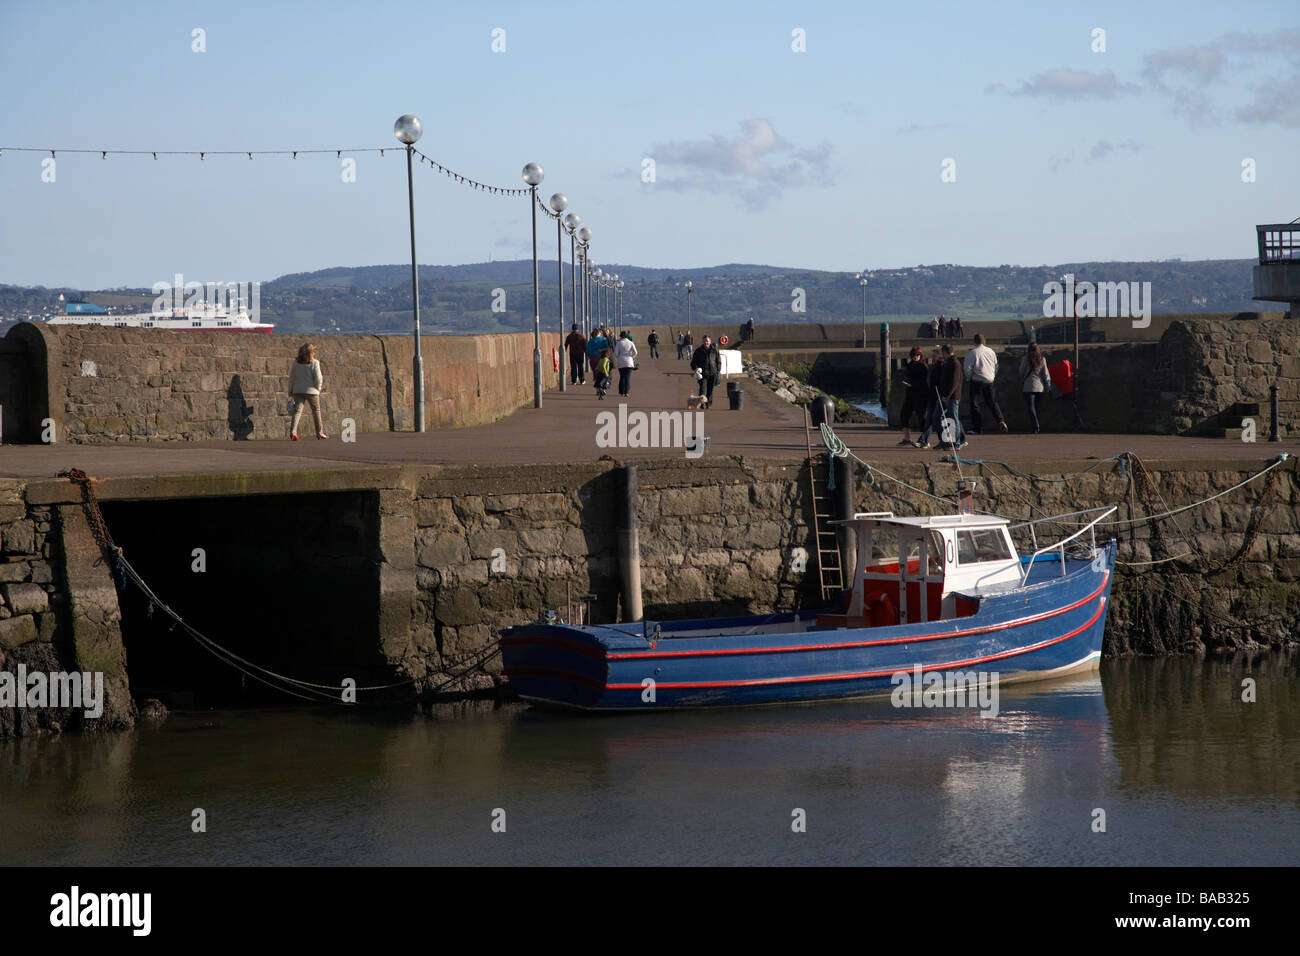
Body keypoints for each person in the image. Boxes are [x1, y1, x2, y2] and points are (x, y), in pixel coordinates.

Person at [916, 344, 966, 449]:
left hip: (951, 397)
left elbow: (954, 382)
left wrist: (947, 395)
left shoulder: (955, 364)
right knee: (936, 417)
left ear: (944, 352)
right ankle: (945, 441)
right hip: (941, 396)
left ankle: (957, 442)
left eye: (939, 353)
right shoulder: (946, 363)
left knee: (953, 418)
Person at [963, 332, 1007, 434]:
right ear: (984, 341)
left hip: (977, 380)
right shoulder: (991, 351)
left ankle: (977, 428)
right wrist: (992, 376)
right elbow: (996, 366)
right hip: (989, 380)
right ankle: (1000, 420)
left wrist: (969, 378)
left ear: (975, 341)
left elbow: (967, 368)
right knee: (992, 402)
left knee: (974, 404)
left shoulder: (973, 352)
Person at [288, 342, 327, 440]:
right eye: (313, 351)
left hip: (298, 390)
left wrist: (290, 390)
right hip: (312, 391)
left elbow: (292, 377)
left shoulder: (296, 363)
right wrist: (318, 388)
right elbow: (318, 378)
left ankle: (293, 432)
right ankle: (319, 433)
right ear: (311, 352)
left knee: (297, 411)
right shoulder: (315, 363)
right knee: (316, 411)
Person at [898, 346, 929, 446]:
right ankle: (907, 438)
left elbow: (923, 382)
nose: (915, 357)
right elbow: (908, 376)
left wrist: (911, 385)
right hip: (910, 394)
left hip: (920, 395)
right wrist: (908, 384)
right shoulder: (909, 365)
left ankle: (925, 440)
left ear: (920, 356)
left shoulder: (923, 367)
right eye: (913, 355)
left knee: (922, 417)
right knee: (904, 414)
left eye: (917, 355)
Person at [1019, 342, 1050, 433]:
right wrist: (1048, 386)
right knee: (1038, 408)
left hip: (1028, 387)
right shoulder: (1042, 359)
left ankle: (1035, 426)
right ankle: (1037, 425)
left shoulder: (1025, 359)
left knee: (1030, 408)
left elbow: (1021, 371)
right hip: (1040, 387)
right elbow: (1046, 374)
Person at [690, 335, 721, 407]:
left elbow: (718, 361)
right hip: (702, 374)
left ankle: (708, 404)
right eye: (704, 341)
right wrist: (695, 368)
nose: (706, 342)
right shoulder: (698, 351)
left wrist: (718, 370)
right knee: (703, 390)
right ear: (702, 341)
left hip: (712, 373)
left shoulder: (715, 350)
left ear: (710, 341)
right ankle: (701, 404)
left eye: (707, 341)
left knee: (710, 390)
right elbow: (693, 362)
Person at [614, 330, 638, 397]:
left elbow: (615, 353)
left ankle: (621, 392)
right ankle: (626, 392)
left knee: (622, 377)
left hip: (621, 362)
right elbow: (635, 352)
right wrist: (631, 357)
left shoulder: (619, 343)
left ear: (621, 336)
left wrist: (619, 356)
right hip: (629, 362)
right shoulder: (630, 342)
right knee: (627, 377)